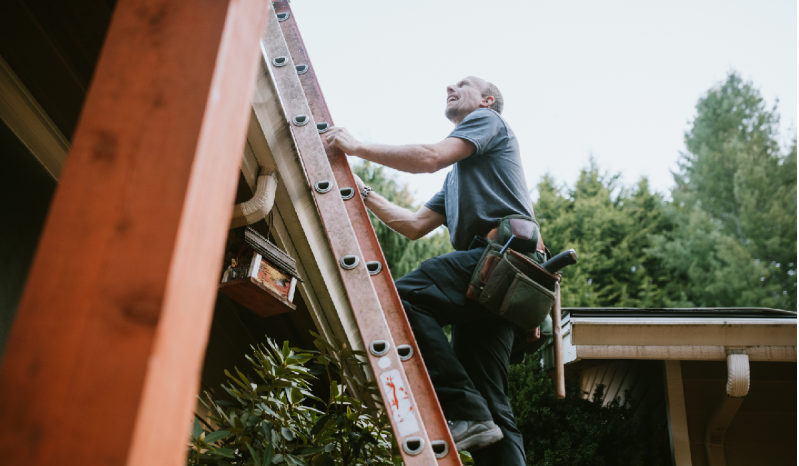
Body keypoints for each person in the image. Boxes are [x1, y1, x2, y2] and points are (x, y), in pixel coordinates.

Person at [325, 76, 533, 465]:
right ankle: (476, 414)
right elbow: (412, 224)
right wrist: (360, 191)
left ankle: (464, 409)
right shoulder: (459, 177)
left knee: (401, 297)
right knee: (494, 409)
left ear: (487, 101)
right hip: (498, 283)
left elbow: (427, 157)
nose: (449, 87)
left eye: (462, 84)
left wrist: (355, 147)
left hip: (502, 261)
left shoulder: (489, 122)